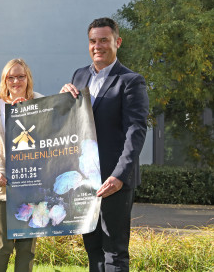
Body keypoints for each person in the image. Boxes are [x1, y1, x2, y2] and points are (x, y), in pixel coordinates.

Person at [60, 17, 149, 271]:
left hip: (114, 181)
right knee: (93, 249)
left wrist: (120, 175)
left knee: (115, 251)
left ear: (117, 42)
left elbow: (136, 131)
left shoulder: (131, 81)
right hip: (85, 179)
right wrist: (64, 98)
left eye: (104, 40)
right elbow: (71, 124)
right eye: (93, 41)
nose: (97, 46)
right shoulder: (79, 76)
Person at [0, 59, 43, 272]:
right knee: (1, 245)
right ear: (5, 80)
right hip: (1, 187)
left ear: (28, 78)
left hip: (31, 186)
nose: (16, 81)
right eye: (11, 77)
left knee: (27, 247)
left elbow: (51, 142)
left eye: (21, 76)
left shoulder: (41, 104)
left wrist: (27, 113)